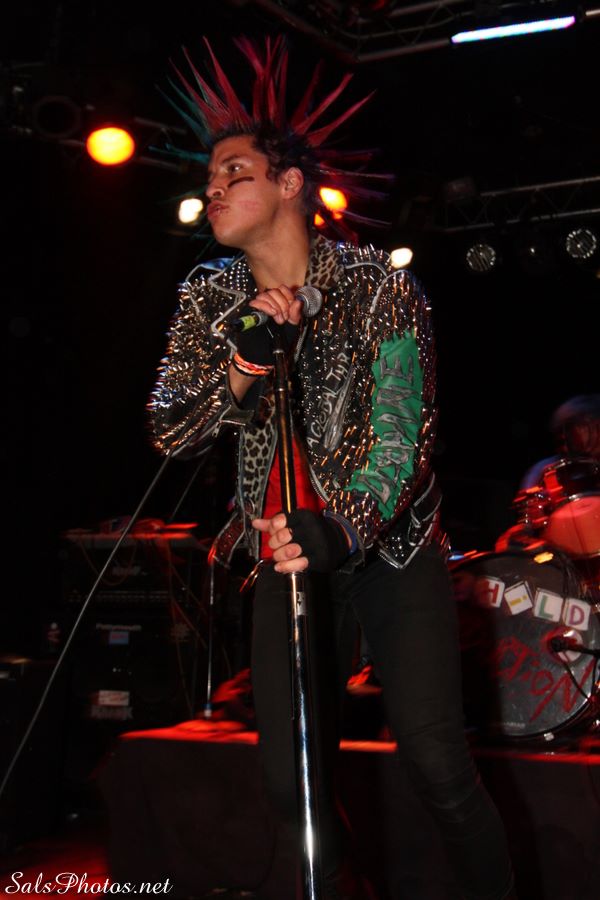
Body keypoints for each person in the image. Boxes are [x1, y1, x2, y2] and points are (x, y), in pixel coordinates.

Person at [149, 38, 515, 900]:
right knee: (292, 787)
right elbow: (171, 431)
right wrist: (241, 366)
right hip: (285, 555)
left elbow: (400, 434)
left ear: (289, 184)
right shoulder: (209, 295)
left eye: (235, 171)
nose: (213, 188)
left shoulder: (378, 286)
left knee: (437, 764)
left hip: (389, 551)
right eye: (210, 177)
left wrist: (342, 527)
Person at [496, 395, 600, 555]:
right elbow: (528, 523)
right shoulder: (544, 472)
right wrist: (521, 533)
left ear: (593, 425)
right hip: (567, 560)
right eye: (559, 432)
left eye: (570, 427)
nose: (563, 437)